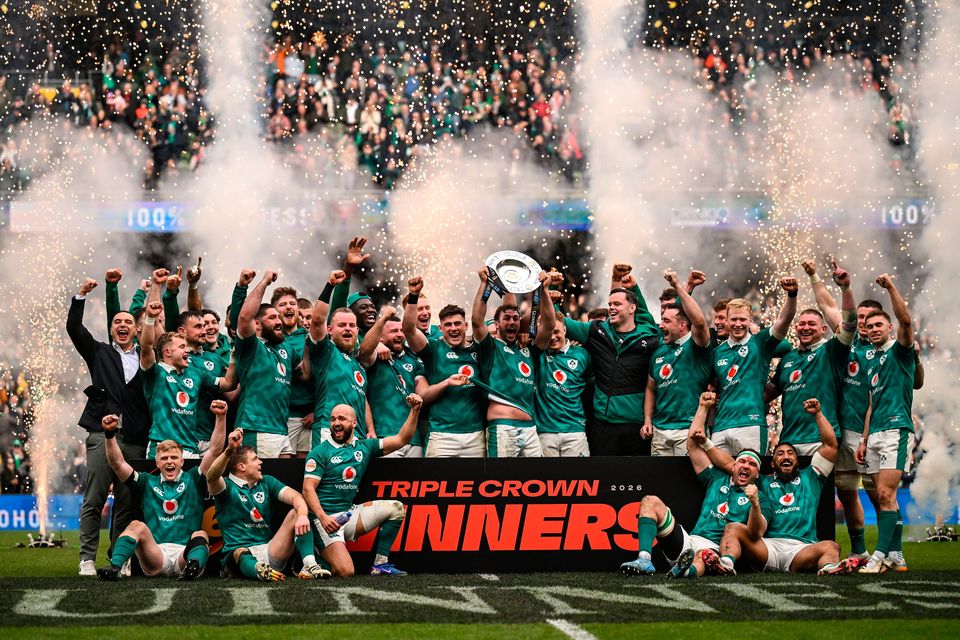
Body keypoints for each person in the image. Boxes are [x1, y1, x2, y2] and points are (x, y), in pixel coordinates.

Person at [620, 392, 762, 577]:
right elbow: (693, 445)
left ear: (757, 474)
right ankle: (644, 560)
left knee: (704, 556)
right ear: (733, 466)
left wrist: (755, 502)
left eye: (752, 464)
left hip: (715, 549)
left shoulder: (758, 497)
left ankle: (686, 572)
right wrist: (703, 407)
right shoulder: (716, 478)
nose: (746, 466)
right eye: (742, 461)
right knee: (650, 501)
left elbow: (756, 532)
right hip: (689, 542)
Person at [67, 274, 150, 576]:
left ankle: (120, 557)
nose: (123, 325)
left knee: (127, 502)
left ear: (137, 328)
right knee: (95, 497)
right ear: (111, 328)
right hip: (102, 435)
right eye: (117, 322)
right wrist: (81, 295)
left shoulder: (148, 357)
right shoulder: (99, 351)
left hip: (136, 439)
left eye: (128, 321)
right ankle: (87, 558)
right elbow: (74, 328)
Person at [95, 400, 230, 581]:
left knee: (200, 534)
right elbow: (117, 463)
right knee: (136, 525)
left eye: (174, 457)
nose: (169, 461)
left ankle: (192, 569)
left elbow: (214, 451)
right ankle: (115, 568)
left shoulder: (194, 478)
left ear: (182, 461)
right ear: (157, 463)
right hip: (156, 555)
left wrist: (221, 417)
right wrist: (109, 434)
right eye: (164, 458)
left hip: (184, 555)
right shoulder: (146, 482)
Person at [718, 399, 849, 575]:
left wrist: (818, 414)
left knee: (831, 546)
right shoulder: (762, 480)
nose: (786, 457)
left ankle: (829, 568)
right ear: (773, 463)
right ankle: (725, 564)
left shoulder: (811, 476)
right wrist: (706, 443)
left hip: (801, 549)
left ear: (797, 460)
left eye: (790, 453)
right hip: (767, 547)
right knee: (732, 528)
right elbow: (733, 465)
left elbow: (831, 446)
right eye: (780, 454)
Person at [302, 394, 423, 576]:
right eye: (333, 419)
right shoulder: (320, 452)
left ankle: (380, 565)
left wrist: (415, 410)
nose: (336, 423)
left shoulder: (365, 447)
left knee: (396, 508)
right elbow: (307, 489)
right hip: (324, 520)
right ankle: (315, 557)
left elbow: (401, 439)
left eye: (341, 419)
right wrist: (323, 517)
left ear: (354, 423)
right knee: (346, 571)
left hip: (348, 514)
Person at [561, 263, 661, 455]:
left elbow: (668, 322)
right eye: (609, 305)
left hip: (636, 425)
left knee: (638, 474)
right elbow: (558, 323)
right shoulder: (596, 332)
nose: (611, 308)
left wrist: (633, 288)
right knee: (603, 473)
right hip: (603, 424)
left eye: (617, 304)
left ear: (632, 308)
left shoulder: (649, 335)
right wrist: (546, 291)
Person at [207, 428, 330, 581]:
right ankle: (257, 570)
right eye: (255, 459)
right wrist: (229, 450)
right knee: (240, 552)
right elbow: (211, 477)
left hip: (268, 550)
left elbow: (296, 497)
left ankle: (309, 565)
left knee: (297, 512)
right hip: (237, 556)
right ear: (241, 467)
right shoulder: (225, 486)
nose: (261, 462)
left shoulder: (267, 481)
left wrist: (303, 516)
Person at [856, 274, 917, 573]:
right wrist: (864, 439)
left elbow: (906, 320)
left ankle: (878, 557)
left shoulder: (901, 350)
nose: (873, 329)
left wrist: (891, 286)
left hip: (896, 429)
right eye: (869, 327)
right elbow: (871, 404)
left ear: (889, 327)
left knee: (885, 495)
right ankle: (896, 555)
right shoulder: (870, 360)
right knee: (882, 499)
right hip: (875, 433)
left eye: (879, 324)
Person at [139, 279, 237, 458]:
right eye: (182, 347)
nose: (187, 352)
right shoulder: (156, 372)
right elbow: (147, 345)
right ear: (167, 352)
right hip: (162, 445)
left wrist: (235, 356)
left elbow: (228, 383)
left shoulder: (198, 372)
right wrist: (151, 316)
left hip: (193, 446)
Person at [766, 260, 855, 455]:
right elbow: (766, 394)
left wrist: (845, 288)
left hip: (822, 440)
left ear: (824, 329)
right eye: (802, 324)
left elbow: (849, 324)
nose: (806, 327)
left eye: (812, 324)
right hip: (788, 443)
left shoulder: (832, 351)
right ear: (795, 328)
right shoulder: (787, 359)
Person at [471, 266, 555, 457]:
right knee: (502, 476)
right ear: (497, 323)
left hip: (530, 427)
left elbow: (549, 325)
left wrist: (544, 290)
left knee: (537, 476)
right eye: (507, 318)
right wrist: (484, 283)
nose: (512, 322)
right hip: (502, 427)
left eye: (516, 318)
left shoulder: (528, 350)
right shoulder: (490, 347)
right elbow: (476, 320)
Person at [710, 277, 798, 455]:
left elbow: (784, 320)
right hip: (721, 425)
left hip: (751, 423)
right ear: (726, 321)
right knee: (720, 472)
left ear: (750, 321)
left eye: (743, 320)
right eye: (733, 319)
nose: (738, 324)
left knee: (751, 470)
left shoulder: (760, 343)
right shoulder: (717, 353)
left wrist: (792, 295)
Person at [402, 276, 485, 457]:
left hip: (476, 435)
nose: (453, 328)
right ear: (440, 328)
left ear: (466, 326)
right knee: (436, 477)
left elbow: (482, 320)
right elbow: (408, 329)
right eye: (448, 325)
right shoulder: (433, 348)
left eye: (457, 324)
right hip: (441, 435)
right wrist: (413, 295)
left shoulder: (479, 350)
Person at [307, 270, 383, 447]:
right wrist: (330, 286)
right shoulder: (325, 351)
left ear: (357, 331)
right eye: (342, 325)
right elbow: (317, 320)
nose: (348, 328)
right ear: (330, 330)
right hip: (329, 430)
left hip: (358, 435)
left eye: (351, 325)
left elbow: (361, 398)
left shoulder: (359, 363)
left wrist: (370, 429)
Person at [642, 270, 712, 456]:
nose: (661, 325)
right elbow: (650, 388)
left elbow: (699, 323)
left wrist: (679, 286)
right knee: (660, 476)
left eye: (666, 321)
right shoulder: (658, 352)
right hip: (660, 430)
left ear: (682, 325)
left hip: (689, 428)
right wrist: (648, 420)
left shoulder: (697, 345)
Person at [233, 269, 299, 458]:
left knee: (282, 476)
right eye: (272, 317)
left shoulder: (286, 348)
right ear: (257, 324)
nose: (279, 321)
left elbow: (305, 368)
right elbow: (244, 317)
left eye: (278, 317)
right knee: (256, 476)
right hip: (256, 427)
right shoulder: (250, 346)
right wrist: (264, 282)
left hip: (282, 429)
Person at [364, 313, 431, 457]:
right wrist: (376, 345)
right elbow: (364, 351)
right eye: (394, 331)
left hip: (413, 439)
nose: (400, 334)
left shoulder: (413, 360)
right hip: (384, 436)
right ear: (380, 337)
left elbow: (424, 393)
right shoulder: (373, 356)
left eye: (401, 331)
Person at [535, 311, 591, 457]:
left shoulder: (582, 354)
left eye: (556, 332)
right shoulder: (536, 354)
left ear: (565, 330)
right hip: (544, 431)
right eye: (548, 332)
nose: (552, 337)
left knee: (578, 473)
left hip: (575, 430)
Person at [272, 286, 314, 458]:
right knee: (283, 468)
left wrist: (318, 412)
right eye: (282, 304)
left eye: (292, 303)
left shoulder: (311, 339)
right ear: (274, 311)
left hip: (309, 417)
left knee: (305, 467)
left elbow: (326, 379)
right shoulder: (269, 340)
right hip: (280, 418)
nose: (288, 307)